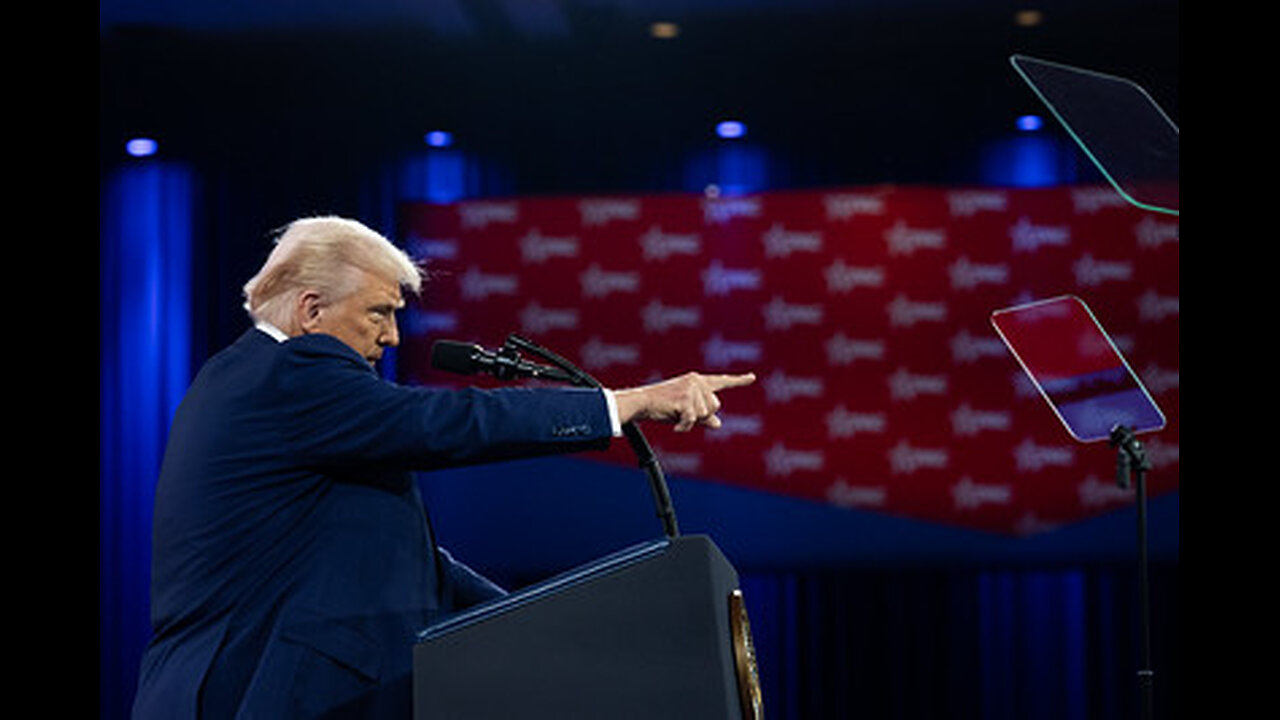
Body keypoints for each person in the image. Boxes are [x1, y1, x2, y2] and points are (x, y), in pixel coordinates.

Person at [131, 216, 756, 719]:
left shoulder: (257, 390)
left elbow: (401, 562)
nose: (394, 337)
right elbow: (447, 424)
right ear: (311, 311)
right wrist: (625, 403)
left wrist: (542, 625)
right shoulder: (288, 375)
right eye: (379, 312)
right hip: (266, 691)